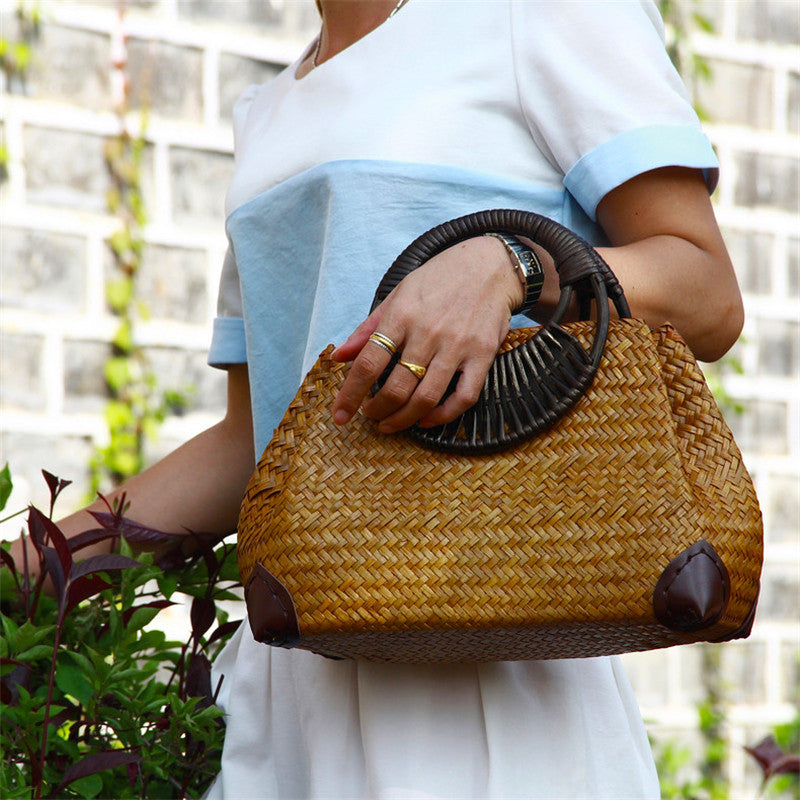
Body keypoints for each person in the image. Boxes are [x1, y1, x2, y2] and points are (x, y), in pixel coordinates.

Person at [13, 0, 744, 797]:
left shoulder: (536, 15)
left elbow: (707, 294)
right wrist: (32, 569)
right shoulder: (267, 116)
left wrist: (513, 265)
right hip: (294, 680)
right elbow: (253, 440)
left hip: (496, 659)